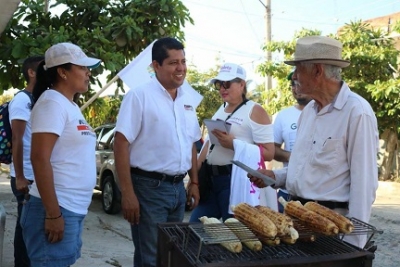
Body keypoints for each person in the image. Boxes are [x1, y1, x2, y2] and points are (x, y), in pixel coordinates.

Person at [249, 36, 379, 248]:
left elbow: (364, 185)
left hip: (329, 228)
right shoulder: (308, 111)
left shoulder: (357, 112)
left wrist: (353, 246)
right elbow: (305, 165)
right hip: (295, 221)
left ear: (317, 71)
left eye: (298, 70)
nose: (294, 77)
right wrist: (276, 176)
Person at [113, 37, 201, 267]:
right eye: (173, 63)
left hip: (177, 189)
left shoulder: (187, 99)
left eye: (183, 61)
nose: (180, 68)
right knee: (150, 258)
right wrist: (128, 193)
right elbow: (120, 143)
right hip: (148, 188)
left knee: (171, 257)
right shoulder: (139, 96)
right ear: (156, 65)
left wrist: (194, 182)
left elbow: (191, 143)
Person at [20, 42, 101, 267]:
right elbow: (39, 158)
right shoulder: (52, 102)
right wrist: (54, 214)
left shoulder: (70, 105)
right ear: (62, 72)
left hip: (72, 208)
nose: (88, 72)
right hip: (57, 208)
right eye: (82, 67)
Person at [189, 62, 275, 223]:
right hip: (210, 180)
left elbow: (270, 153)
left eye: (227, 84)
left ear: (242, 84)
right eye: (219, 84)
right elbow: (208, 145)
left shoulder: (255, 110)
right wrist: (194, 179)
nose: (222, 88)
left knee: (236, 233)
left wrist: (234, 144)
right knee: (195, 228)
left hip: (234, 180)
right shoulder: (221, 108)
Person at [9, 55, 44, 267]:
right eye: (43, 68)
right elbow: (17, 139)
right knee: (25, 227)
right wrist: (20, 177)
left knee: (30, 226)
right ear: (31, 72)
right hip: (26, 176)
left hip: (35, 174)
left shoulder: (41, 98)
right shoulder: (22, 100)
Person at [273, 71, 312, 212]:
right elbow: (273, 149)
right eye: (293, 85)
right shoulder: (283, 116)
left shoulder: (325, 113)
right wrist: (292, 157)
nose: (297, 88)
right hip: (287, 190)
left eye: (300, 83)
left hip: (315, 194)